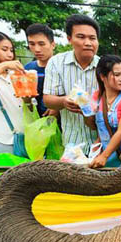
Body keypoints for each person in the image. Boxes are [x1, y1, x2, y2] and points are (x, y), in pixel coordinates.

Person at [43, 14, 99, 148]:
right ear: (70, 39)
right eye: (81, 37)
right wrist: (63, 101)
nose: (88, 43)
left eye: (92, 38)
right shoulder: (57, 63)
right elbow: (47, 99)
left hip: (101, 142)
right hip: (71, 142)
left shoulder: (105, 66)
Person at [24, 23, 56, 116]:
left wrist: (57, 106)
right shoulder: (27, 69)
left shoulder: (63, 68)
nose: (37, 49)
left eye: (41, 44)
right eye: (32, 44)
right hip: (34, 122)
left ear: (53, 45)